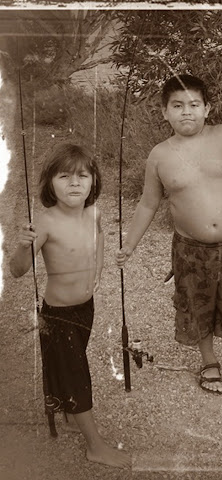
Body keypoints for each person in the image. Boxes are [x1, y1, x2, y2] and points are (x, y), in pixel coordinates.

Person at [115, 74, 222, 408]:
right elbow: (148, 203)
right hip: (189, 250)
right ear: (164, 112)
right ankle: (209, 363)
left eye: (194, 104)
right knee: (197, 307)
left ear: (207, 108)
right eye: (177, 106)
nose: (187, 112)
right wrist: (130, 244)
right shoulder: (159, 155)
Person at [10, 143, 131, 468]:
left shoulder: (95, 213)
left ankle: (69, 409)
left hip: (85, 309)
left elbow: (100, 237)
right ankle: (95, 446)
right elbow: (17, 271)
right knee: (77, 373)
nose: (74, 183)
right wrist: (22, 247)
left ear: (94, 181)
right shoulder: (46, 223)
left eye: (82, 176)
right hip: (58, 315)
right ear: (50, 183)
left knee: (69, 366)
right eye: (64, 176)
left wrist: (100, 268)